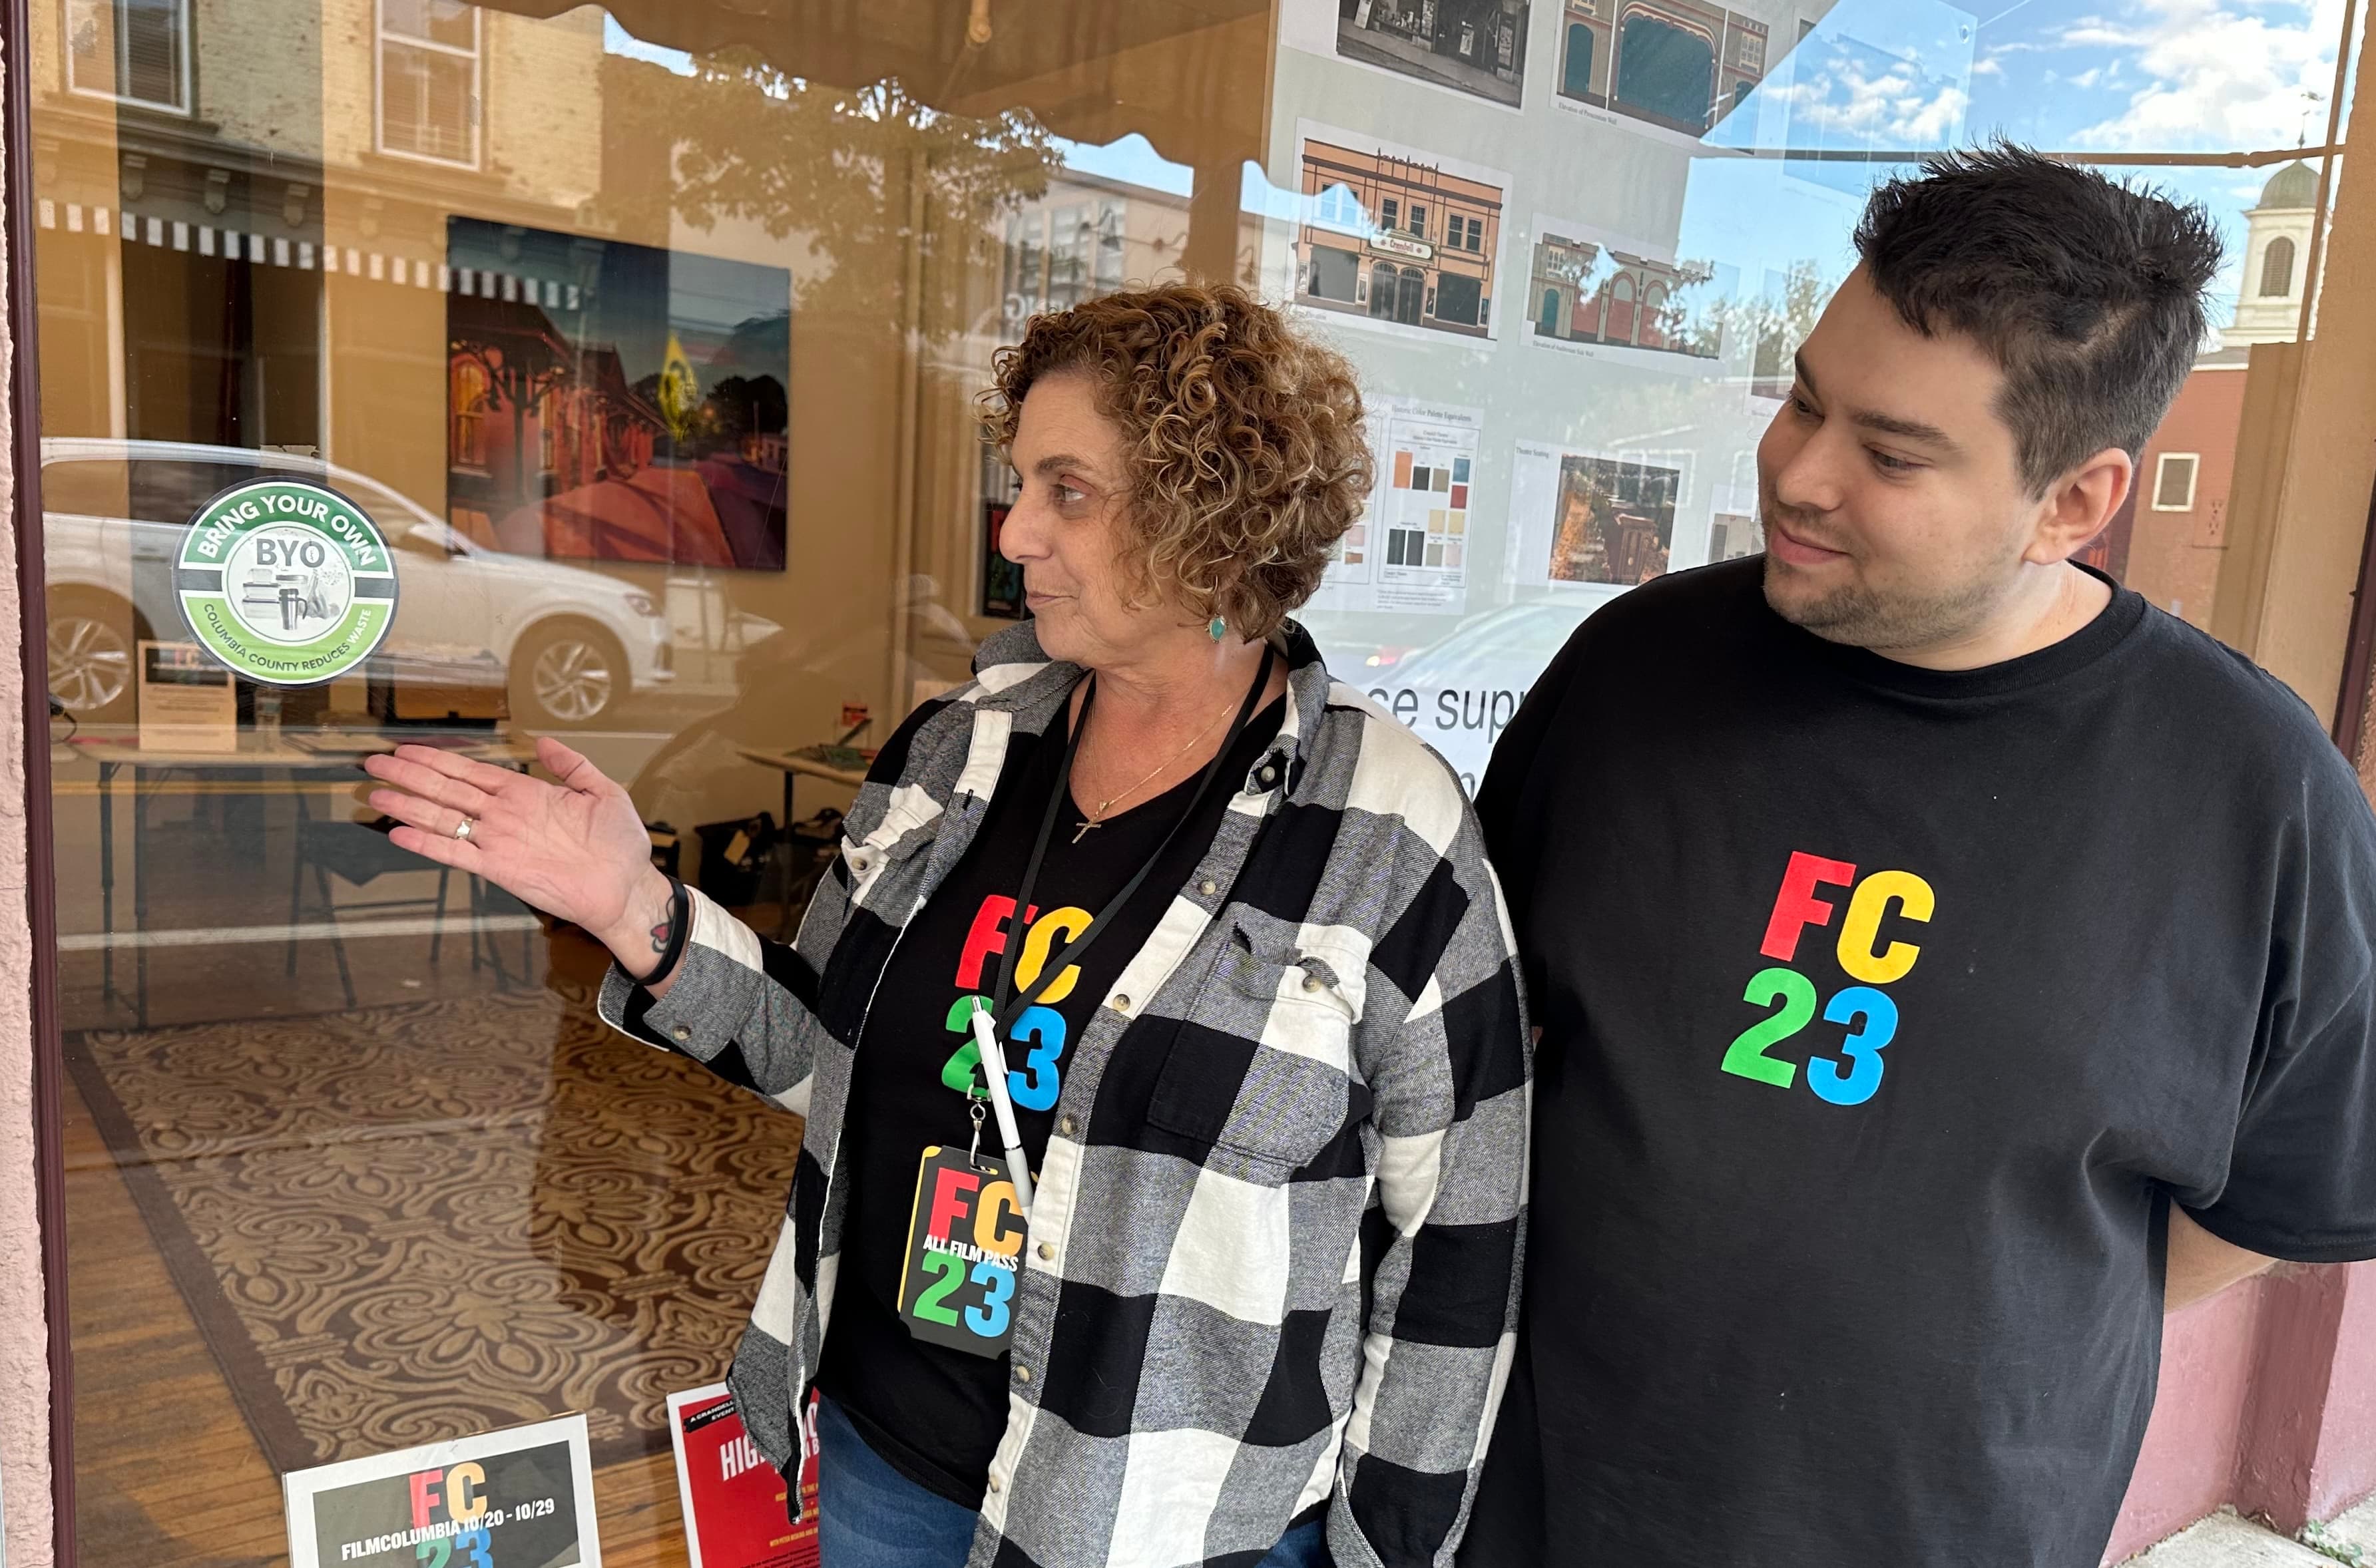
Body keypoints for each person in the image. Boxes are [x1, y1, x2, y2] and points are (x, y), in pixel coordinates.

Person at [366, 282, 1529, 1568]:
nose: (1016, 527)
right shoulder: (958, 749)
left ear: (1213, 512)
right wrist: (633, 907)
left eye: (1067, 490)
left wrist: (1385, 1555)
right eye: (1020, 480)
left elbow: (1461, 1247)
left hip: (1166, 1520)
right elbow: (828, 1058)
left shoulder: (1386, 834)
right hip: (891, 1459)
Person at [1461, 145, 2376, 1567]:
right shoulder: (1635, 670)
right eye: (1803, 399)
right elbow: (1484, 1038)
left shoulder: (2258, 798)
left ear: (2076, 501)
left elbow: (2280, 1200)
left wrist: (1969, 1347)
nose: (1799, 473)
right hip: (1530, 1504)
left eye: (1889, 453)